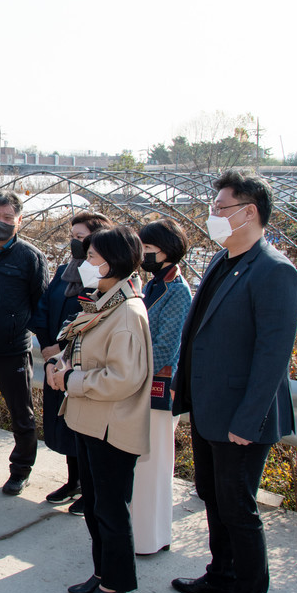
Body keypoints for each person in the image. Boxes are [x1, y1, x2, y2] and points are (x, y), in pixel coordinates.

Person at [170, 171, 297, 593]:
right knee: (212, 496)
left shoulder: (275, 272)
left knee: (239, 508)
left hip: (242, 417)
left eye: (220, 208)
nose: (212, 216)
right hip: (210, 408)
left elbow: (272, 358)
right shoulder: (221, 260)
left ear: (249, 213)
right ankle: (221, 574)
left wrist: (248, 421)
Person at [47, 225, 152, 593]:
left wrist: (71, 380)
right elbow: (82, 347)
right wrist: (60, 363)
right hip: (90, 421)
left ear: (113, 262)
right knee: (95, 506)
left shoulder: (126, 313)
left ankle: (115, 585)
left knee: (111, 511)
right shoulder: (104, 302)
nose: (85, 263)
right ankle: (102, 572)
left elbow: (123, 378)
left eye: (91, 257)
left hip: (111, 426)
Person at [31, 211, 112, 514]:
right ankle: (74, 481)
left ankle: (91, 490)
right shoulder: (66, 270)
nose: (75, 243)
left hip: (83, 365)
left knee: (84, 428)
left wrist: (62, 347)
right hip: (56, 362)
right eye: (73, 237)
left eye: (81, 238)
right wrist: (47, 346)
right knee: (64, 424)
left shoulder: (103, 276)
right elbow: (43, 307)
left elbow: (90, 320)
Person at [0, 190, 48, 495]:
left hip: (13, 350)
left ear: (19, 220)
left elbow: (41, 305)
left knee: (21, 415)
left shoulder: (31, 257)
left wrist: (40, 341)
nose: (0, 222)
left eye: (7, 217)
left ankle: (21, 470)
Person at [132, 219, 191, 556]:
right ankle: (137, 534)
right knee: (141, 467)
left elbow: (166, 348)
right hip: (141, 386)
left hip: (158, 388)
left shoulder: (177, 291)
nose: (143, 254)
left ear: (167, 250)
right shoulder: (153, 284)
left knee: (153, 467)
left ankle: (150, 539)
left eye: (148, 248)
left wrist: (128, 365)